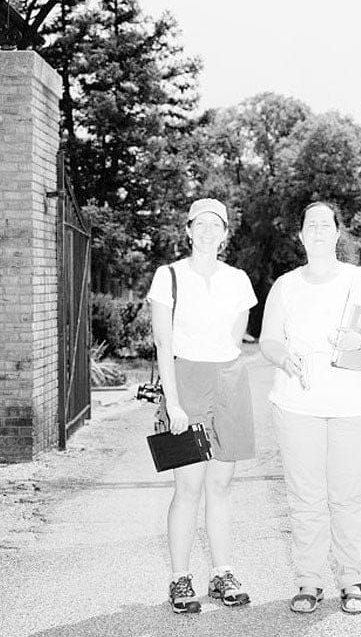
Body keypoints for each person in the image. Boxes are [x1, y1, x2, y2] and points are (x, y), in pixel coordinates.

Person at [259, 200, 361, 616]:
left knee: (349, 496)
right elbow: (269, 339)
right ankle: (308, 581)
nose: (319, 231)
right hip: (296, 404)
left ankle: (351, 579)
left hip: (355, 405)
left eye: (327, 224)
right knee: (305, 497)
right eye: (312, 225)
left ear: (337, 234)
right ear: (301, 235)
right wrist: (283, 357)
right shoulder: (285, 286)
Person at [148, 198, 257, 614]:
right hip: (186, 382)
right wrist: (173, 402)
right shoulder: (169, 275)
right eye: (201, 224)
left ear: (225, 233)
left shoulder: (238, 279)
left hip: (229, 381)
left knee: (221, 486)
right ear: (189, 230)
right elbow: (164, 342)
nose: (209, 231)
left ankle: (222, 571)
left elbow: (234, 338)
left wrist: (220, 371)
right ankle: (179, 577)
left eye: (217, 224)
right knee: (189, 487)